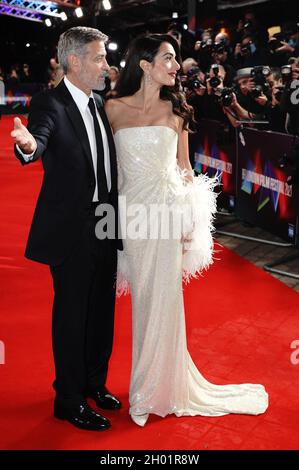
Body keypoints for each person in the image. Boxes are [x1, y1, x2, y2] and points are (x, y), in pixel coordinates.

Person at [105, 34, 269, 427]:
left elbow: (183, 172)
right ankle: (153, 384)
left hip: (164, 218)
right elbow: (107, 171)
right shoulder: (111, 108)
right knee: (142, 302)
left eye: (176, 59)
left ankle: (151, 392)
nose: (176, 66)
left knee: (162, 302)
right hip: (129, 219)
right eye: (169, 58)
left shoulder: (177, 110)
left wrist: (189, 224)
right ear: (144, 64)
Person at [10, 26, 122, 431]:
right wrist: (26, 146)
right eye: (99, 58)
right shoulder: (49, 103)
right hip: (72, 228)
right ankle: (69, 399)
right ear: (74, 61)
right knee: (73, 316)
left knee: (101, 312)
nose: (106, 66)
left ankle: (95, 383)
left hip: (106, 223)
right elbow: (37, 140)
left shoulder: (99, 103)